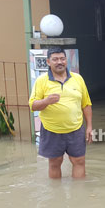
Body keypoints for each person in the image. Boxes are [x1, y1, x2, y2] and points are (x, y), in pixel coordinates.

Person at [29, 47, 93, 179]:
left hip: (76, 128)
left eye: (62, 59)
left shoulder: (78, 79)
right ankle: (56, 196)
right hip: (52, 129)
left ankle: (79, 195)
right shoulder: (42, 81)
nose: (59, 62)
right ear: (48, 62)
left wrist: (89, 127)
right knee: (55, 163)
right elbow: (33, 105)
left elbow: (86, 104)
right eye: (55, 59)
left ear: (66, 61)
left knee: (79, 161)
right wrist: (46, 101)